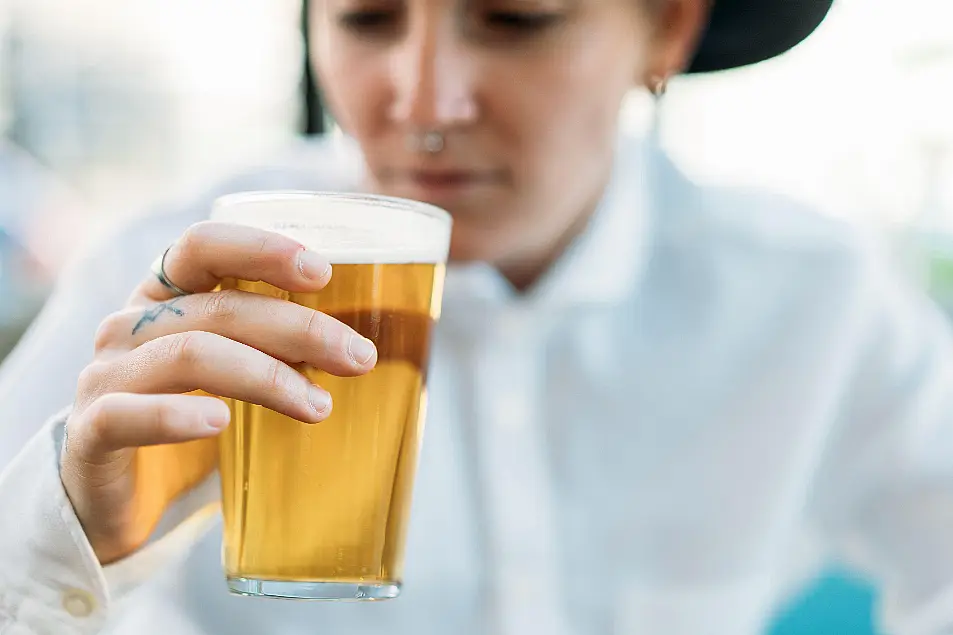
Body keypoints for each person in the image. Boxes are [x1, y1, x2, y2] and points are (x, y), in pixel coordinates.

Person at [2, 0, 953, 633]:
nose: (421, 101)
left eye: (513, 17)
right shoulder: (168, 282)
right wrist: (71, 537)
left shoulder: (812, 298)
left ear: (665, 30)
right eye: (366, 16)